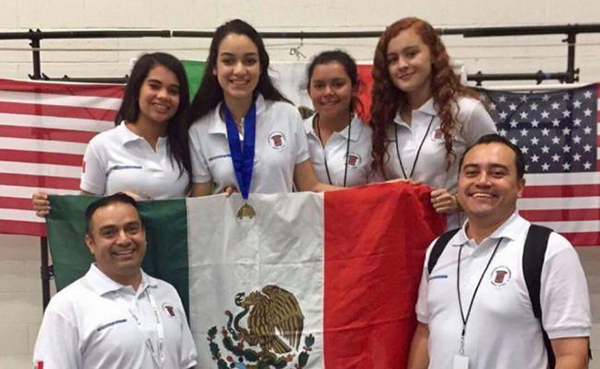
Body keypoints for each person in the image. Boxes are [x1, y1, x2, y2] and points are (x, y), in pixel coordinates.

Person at [407, 134, 591, 369]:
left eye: (497, 173)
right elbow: (425, 332)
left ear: (520, 187)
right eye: (471, 172)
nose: (482, 181)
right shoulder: (438, 249)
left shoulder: (549, 250)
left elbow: (571, 355)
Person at [33, 193, 198, 369]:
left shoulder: (166, 292)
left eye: (132, 229)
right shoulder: (66, 306)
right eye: (109, 233)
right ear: (90, 243)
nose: (124, 240)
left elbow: (187, 363)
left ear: (144, 234)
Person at [186, 19, 337, 196]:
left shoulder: (287, 115)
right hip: (230, 224)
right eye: (228, 61)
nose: (240, 70)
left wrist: (370, 199)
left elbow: (310, 187)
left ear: (261, 67)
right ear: (214, 67)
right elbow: (201, 204)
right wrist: (219, 201)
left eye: (250, 61)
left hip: (283, 224)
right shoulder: (199, 130)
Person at [370, 17, 496, 228]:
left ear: (433, 55)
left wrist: (459, 201)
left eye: (411, 54)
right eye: (393, 59)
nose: (402, 65)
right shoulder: (384, 120)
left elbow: (500, 174)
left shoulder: (465, 111)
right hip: (402, 241)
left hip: (454, 240)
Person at [32, 52, 191, 216]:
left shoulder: (188, 144)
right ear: (137, 89)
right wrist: (52, 207)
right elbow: (86, 208)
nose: (163, 96)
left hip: (175, 241)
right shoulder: (102, 145)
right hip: (123, 241)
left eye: (173, 91)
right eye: (154, 86)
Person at [304, 50, 373, 187]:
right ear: (309, 90)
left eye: (337, 84)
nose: (328, 92)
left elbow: (378, 195)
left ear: (355, 88)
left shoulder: (371, 139)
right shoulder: (296, 133)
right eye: (319, 85)